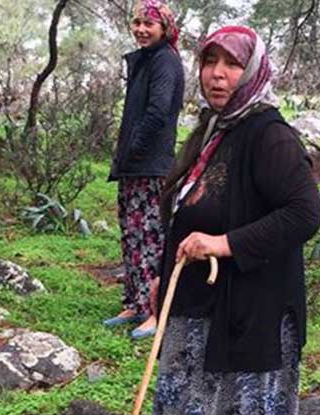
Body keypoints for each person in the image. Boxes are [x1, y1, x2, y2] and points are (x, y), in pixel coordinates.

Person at [148, 26, 320, 415]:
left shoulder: (269, 136)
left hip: (244, 319)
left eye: (232, 63)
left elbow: (304, 214)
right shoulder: (215, 128)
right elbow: (188, 210)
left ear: (253, 71)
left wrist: (224, 245)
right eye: (210, 61)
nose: (217, 74)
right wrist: (162, 274)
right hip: (197, 310)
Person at [104, 0, 184, 340]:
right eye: (137, 22)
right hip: (134, 166)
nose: (141, 29)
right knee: (133, 237)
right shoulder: (146, 60)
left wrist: (133, 149)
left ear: (164, 28)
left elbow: (157, 113)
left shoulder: (165, 60)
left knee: (151, 238)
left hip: (151, 167)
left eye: (148, 24)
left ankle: (156, 309)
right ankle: (136, 303)